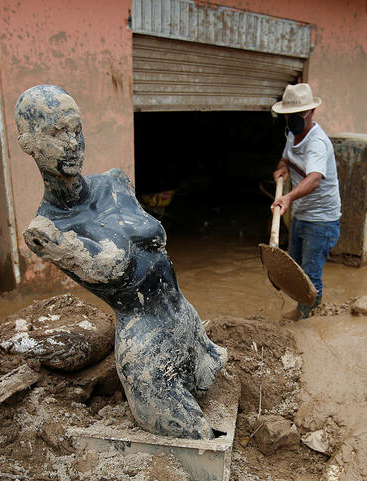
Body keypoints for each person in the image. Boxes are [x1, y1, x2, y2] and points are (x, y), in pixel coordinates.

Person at [14, 84, 227, 440]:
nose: (71, 143)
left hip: (186, 319)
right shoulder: (46, 230)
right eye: (55, 133)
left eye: (75, 128)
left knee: (212, 393)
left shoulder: (116, 183)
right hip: (145, 350)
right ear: (29, 144)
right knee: (197, 437)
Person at [270, 83, 341, 320]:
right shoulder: (291, 135)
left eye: (299, 115)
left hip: (321, 220)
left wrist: (288, 197)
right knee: (296, 267)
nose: (294, 120)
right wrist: (281, 170)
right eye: (290, 116)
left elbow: (314, 180)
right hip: (301, 213)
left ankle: (307, 321)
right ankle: (303, 310)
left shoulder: (317, 143)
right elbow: (285, 160)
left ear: (311, 113)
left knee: (310, 274)